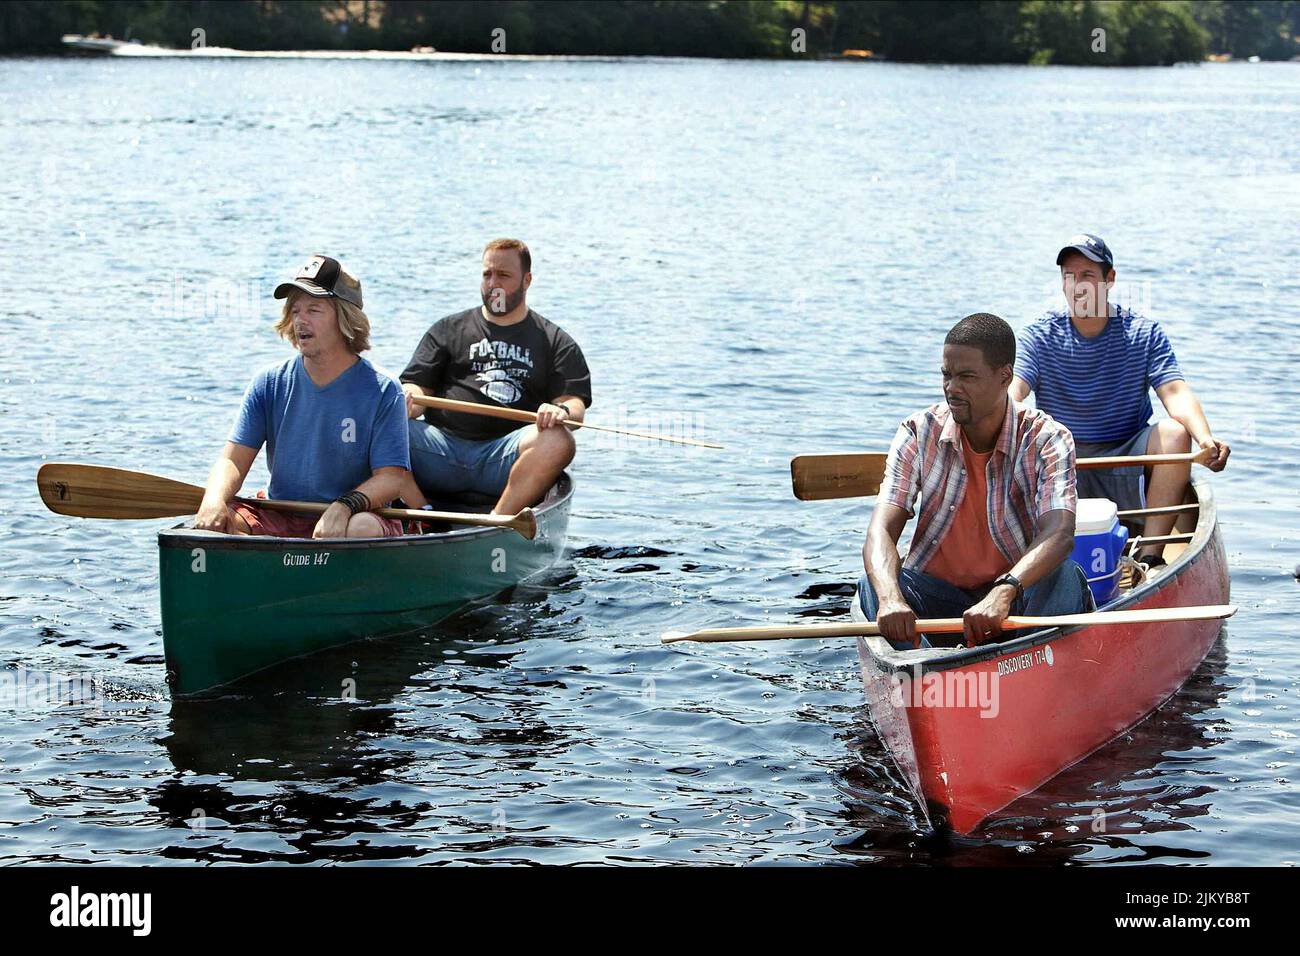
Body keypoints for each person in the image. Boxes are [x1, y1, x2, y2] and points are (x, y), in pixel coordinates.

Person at [860, 313, 1092, 650]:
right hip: (938, 601)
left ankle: (1022, 665)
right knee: (872, 584)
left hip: (1013, 601)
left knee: (1065, 578)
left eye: (967, 377)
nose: (952, 388)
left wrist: (1005, 589)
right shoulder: (918, 430)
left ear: (1004, 377)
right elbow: (880, 530)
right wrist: (891, 598)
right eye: (947, 375)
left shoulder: (1047, 438)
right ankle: (926, 671)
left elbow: (1059, 533)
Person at [1010, 234, 1229, 569]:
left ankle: (1151, 554)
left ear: (1109, 280)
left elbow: (1174, 392)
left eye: (1087, 276)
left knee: (1173, 433)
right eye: (1069, 277)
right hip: (1063, 459)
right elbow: (1014, 389)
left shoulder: (1143, 332)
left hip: (1127, 454)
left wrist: (1204, 438)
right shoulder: (1039, 335)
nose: (1077, 286)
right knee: (1012, 429)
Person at [194, 255, 411, 538]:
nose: (300, 320)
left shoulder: (384, 390)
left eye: (313, 310)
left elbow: (391, 479)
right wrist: (213, 499)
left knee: (361, 528)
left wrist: (344, 506)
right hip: (282, 512)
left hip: (354, 515)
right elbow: (233, 461)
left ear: (345, 317)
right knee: (221, 526)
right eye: (295, 310)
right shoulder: (268, 382)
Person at [397, 238, 592, 515]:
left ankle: (496, 523)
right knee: (384, 422)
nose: (493, 283)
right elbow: (418, 390)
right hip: (441, 450)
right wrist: (409, 397)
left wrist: (559, 410)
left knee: (559, 440)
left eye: (503, 275)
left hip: (505, 457)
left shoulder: (556, 341)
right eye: (487, 274)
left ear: (527, 280)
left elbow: (575, 407)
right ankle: (423, 515)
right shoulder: (447, 329)